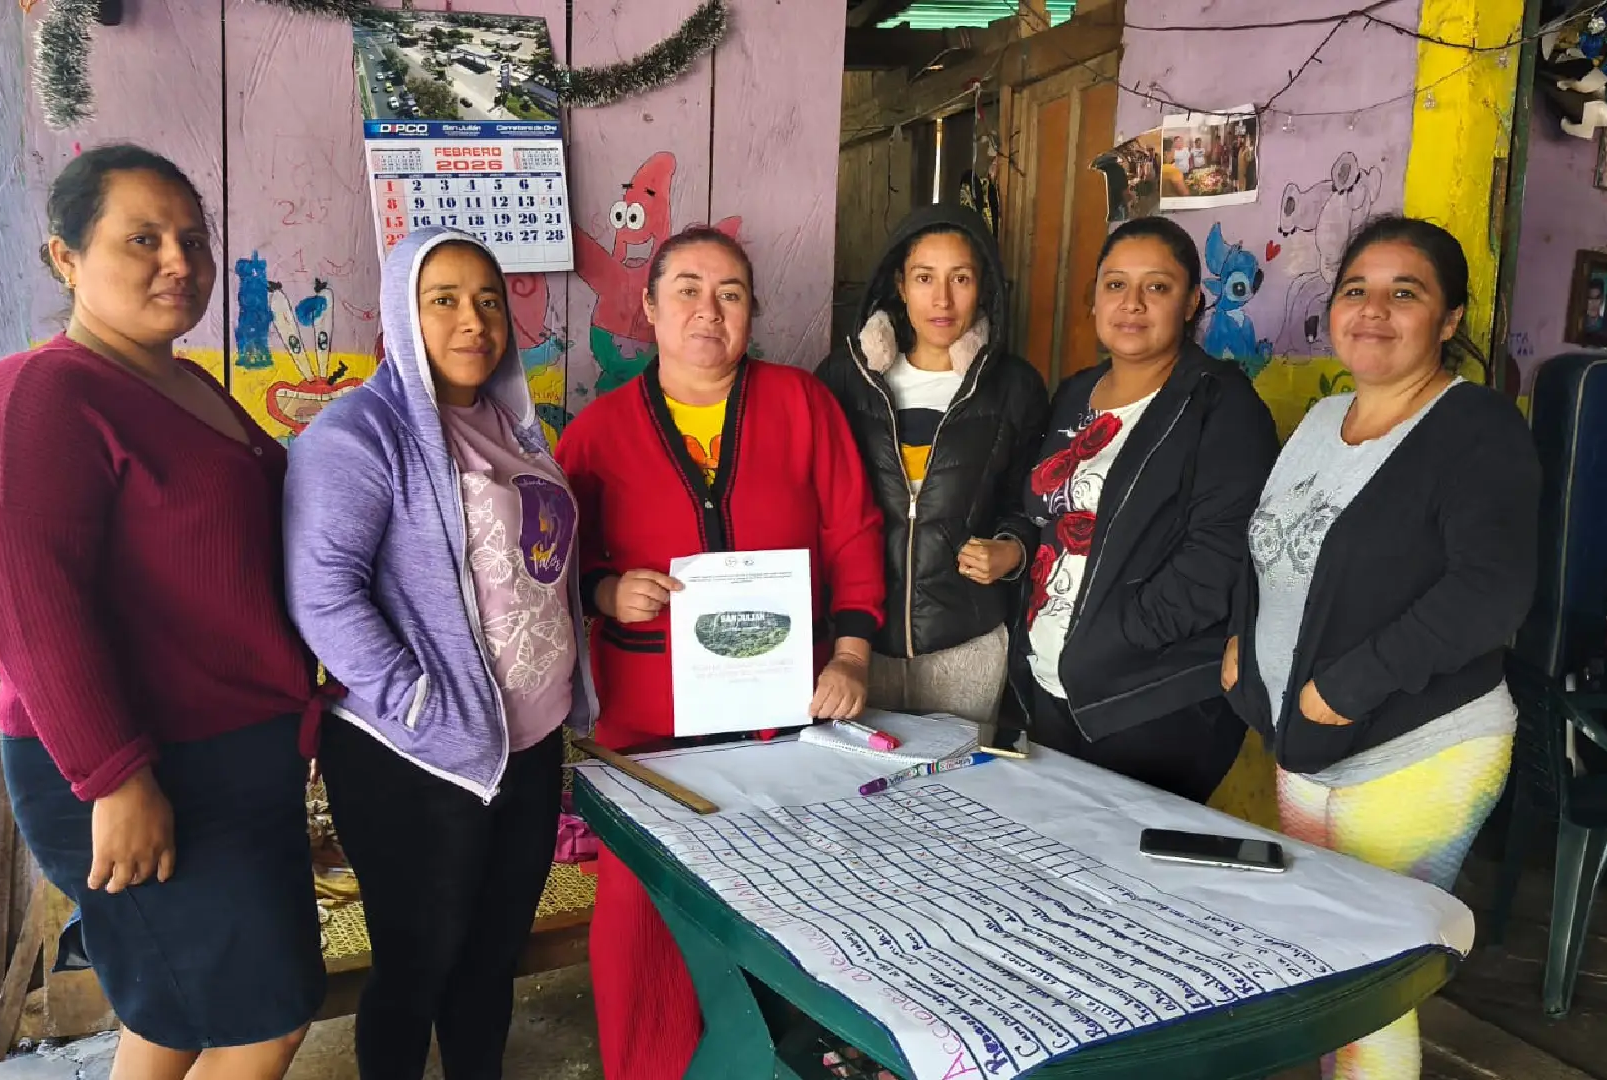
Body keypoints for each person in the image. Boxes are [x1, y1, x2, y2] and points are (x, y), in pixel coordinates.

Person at [0, 145, 323, 1079]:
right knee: (263, 1019)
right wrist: (114, 778)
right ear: (65, 257)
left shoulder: (189, 386)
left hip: (234, 751)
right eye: (142, 239)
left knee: (180, 1006)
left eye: (192, 239)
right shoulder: (32, 398)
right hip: (138, 765)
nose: (178, 262)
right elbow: (34, 615)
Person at [555, 226, 885, 1080]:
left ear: (752, 312)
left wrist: (851, 656)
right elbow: (551, 560)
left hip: (787, 720)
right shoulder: (597, 431)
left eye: (731, 293)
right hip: (649, 735)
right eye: (689, 290)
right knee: (643, 921)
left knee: (794, 911)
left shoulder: (802, 405)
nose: (710, 310)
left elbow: (853, 531)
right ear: (651, 308)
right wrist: (604, 591)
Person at [1222, 216, 1539, 1080]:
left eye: (1406, 293)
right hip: (1308, 745)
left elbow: (1488, 594)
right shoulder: (1325, 418)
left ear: (1449, 318)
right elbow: (1271, 547)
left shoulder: (1477, 429)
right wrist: (1242, 641)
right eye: (1356, 290)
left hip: (1418, 751)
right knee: (1322, 958)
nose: (1374, 310)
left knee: (1365, 982)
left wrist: (1345, 689)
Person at [284, 226, 597, 1080]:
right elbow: (322, 592)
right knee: (416, 968)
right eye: (444, 300)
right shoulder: (359, 435)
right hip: (418, 756)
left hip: (528, 746)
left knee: (492, 960)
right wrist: (417, 700)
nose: (473, 322)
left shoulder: (514, 429)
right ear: (401, 313)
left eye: (489, 301)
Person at [1012, 215, 1278, 803]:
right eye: (1115, 285)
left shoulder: (1221, 405)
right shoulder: (1074, 394)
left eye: (1157, 286)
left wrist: (1110, 640)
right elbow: (1041, 514)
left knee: (1126, 859)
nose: (1131, 303)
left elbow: (1218, 559)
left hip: (1151, 703)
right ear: (1094, 299)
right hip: (1050, 688)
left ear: (1192, 302)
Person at [818, 205, 1048, 724]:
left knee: (961, 775)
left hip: (965, 642)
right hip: (858, 644)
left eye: (960, 278)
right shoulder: (847, 378)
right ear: (900, 285)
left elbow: (1031, 500)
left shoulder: (1014, 387)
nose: (942, 299)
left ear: (983, 286)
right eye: (924, 278)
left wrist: (1011, 548)